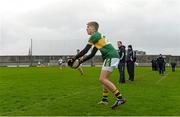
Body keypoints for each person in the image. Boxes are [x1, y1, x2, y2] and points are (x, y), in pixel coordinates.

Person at [68, 21, 126, 109]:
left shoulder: (94, 36)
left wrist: (74, 58)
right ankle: (104, 99)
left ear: (93, 28)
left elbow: (85, 50)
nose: (86, 29)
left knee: (102, 79)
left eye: (88, 27)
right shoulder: (98, 36)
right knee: (105, 79)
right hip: (112, 57)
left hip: (110, 57)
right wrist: (80, 61)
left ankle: (120, 98)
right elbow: (92, 54)